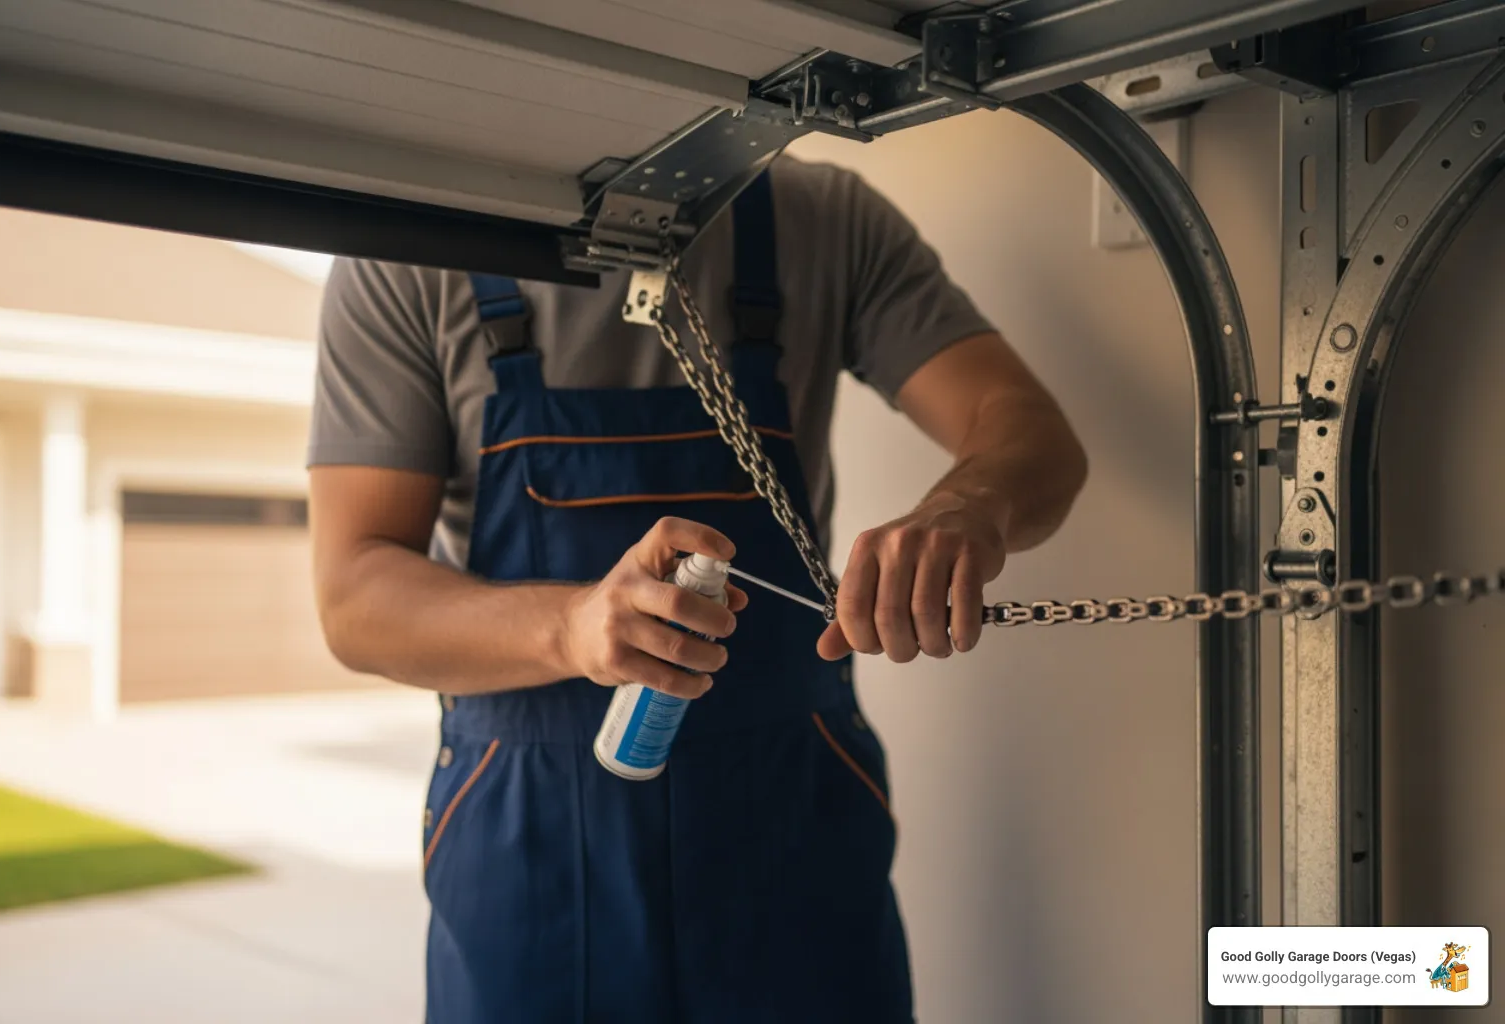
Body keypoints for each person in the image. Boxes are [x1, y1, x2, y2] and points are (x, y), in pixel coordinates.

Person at [307, 156, 1087, 1023]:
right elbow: (354, 597)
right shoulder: (410, 246)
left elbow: (1029, 434)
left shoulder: (822, 219)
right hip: (526, 842)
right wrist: (571, 627)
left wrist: (966, 508)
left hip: (794, 832)